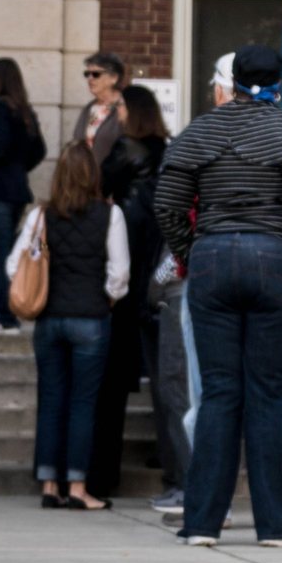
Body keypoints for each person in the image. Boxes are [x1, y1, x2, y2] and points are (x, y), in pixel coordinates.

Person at [154, 44, 282, 547]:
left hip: (211, 263)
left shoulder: (199, 131)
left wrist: (195, 252)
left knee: (218, 392)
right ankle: (277, 525)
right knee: (268, 395)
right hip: (278, 263)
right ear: (280, 79)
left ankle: (202, 522)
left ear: (230, 79)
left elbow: (166, 203)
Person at [7, 141, 129, 510]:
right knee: (83, 404)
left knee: (51, 400)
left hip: (49, 321)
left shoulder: (40, 216)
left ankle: (49, 485)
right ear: (94, 175)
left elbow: (14, 266)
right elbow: (120, 274)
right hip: (90, 319)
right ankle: (77, 488)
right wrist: (106, 297)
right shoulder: (111, 215)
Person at [154, 52, 233, 517]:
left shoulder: (196, 139)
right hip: (265, 271)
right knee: (255, 397)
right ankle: (272, 515)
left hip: (204, 272)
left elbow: (168, 204)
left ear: (222, 90)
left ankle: (204, 499)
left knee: (201, 392)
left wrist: (186, 255)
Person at [87, 84, 168, 499]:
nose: (114, 112)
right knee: (162, 375)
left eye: (119, 106)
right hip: (157, 269)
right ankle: (170, 457)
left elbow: (93, 184)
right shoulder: (165, 150)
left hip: (126, 265)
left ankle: (101, 476)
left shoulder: (125, 148)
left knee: (111, 381)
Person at [0, 58, 47, 334]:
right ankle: (7, 316)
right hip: (17, 189)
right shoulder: (24, 111)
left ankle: (6, 318)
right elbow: (39, 150)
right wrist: (19, 168)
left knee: (2, 255)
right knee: (9, 253)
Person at [72, 52, 127, 165]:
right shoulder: (89, 109)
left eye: (96, 74)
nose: (90, 78)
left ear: (114, 78)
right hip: (85, 179)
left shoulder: (125, 108)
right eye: (87, 74)